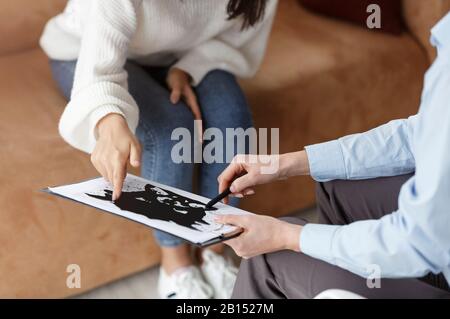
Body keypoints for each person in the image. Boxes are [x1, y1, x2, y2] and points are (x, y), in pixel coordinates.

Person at [40, 0, 278, 299]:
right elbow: (99, 71)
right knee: (168, 131)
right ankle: (175, 264)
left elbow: (237, 38)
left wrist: (187, 68)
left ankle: (214, 250)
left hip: (184, 52)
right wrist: (108, 118)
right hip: (84, 50)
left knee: (233, 124)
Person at [216, 12, 450, 299]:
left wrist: (288, 237)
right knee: (338, 183)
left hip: (428, 247)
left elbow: (419, 240)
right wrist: (286, 164)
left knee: (268, 258)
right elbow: (417, 133)